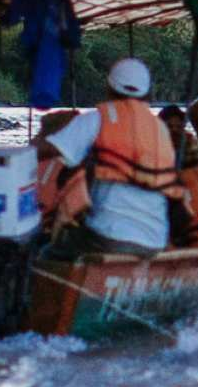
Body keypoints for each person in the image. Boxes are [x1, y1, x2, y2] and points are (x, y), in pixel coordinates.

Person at [36, 58, 185, 256]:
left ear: (109, 88)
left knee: (47, 249)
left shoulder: (96, 119)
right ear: (148, 93)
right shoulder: (160, 129)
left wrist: (47, 129)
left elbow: (42, 151)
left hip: (109, 237)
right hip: (156, 240)